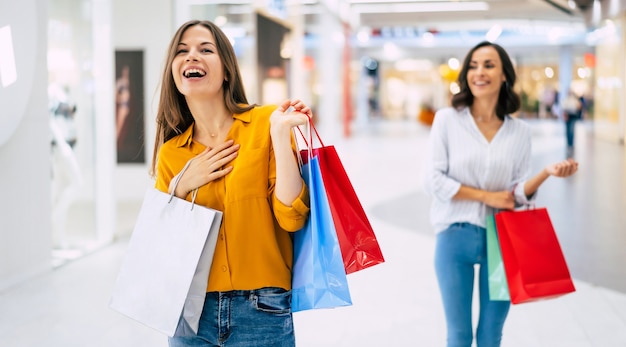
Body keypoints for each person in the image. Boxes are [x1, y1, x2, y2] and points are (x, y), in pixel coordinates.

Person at [150, 19, 311, 347]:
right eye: (182, 52)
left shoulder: (266, 123)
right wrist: (180, 188)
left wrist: (281, 138)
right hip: (190, 312)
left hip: (262, 308)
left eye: (205, 49)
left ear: (226, 71)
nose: (192, 56)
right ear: (174, 73)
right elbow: (163, 244)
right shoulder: (171, 153)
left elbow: (291, 217)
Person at [422, 41, 579, 347]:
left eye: (489, 65)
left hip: (502, 240)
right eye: (473, 65)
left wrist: (545, 173)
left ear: (505, 74)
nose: (479, 72)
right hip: (454, 237)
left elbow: (517, 193)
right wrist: (488, 197)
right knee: (459, 335)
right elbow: (432, 181)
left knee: (491, 335)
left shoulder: (519, 131)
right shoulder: (446, 120)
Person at [561, 89, 586, 157]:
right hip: (567, 117)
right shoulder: (566, 100)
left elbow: (579, 107)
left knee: (571, 131)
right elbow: (563, 108)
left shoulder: (575, 100)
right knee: (567, 131)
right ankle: (568, 144)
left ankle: (571, 145)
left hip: (573, 117)